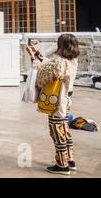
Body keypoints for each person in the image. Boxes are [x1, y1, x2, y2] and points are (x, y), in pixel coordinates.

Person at [26, 34, 79, 175]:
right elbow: (49, 64)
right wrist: (37, 54)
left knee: (56, 131)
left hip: (57, 103)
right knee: (64, 129)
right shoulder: (72, 60)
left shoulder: (59, 61)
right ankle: (70, 160)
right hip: (66, 100)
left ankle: (62, 165)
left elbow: (44, 72)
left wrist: (33, 58)